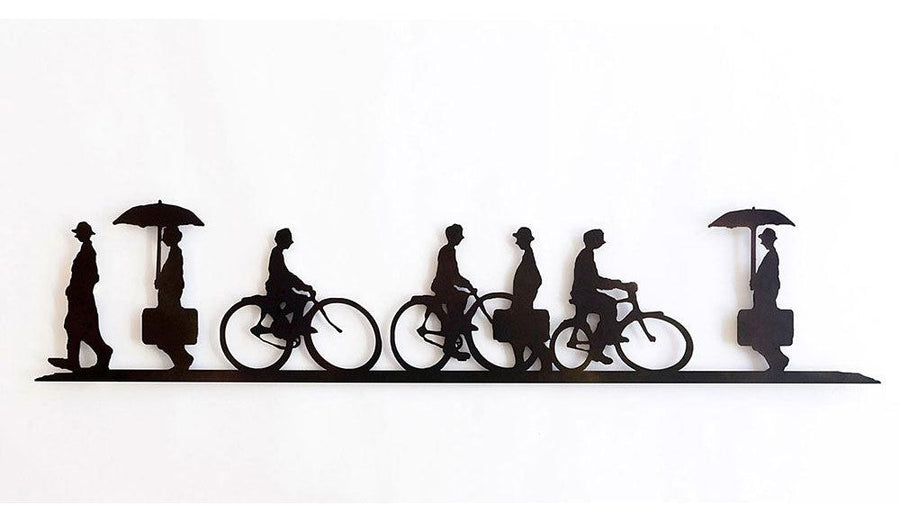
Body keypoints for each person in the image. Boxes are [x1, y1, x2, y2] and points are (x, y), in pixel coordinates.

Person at [49, 222, 113, 372]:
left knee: (79, 328)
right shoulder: (85, 251)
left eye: (79, 233)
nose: (77, 236)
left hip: (82, 299)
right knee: (75, 327)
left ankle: (100, 352)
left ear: (85, 234)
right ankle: (74, 360)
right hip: (79, 297)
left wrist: (79, 290)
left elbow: (93, 276)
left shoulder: (88, 252)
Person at [568, 229, 636, 364]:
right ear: (594, 241)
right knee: (609, 305)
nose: (600, 243)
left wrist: (618, 284)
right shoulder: (585, 256)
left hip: (585, 293)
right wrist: (619, 285)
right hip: (583, 295)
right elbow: (595, 281)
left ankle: (610, 333)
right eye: (599, 240)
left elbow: (594, 280)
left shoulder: (587, 254)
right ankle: (598, 349)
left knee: (611, 303)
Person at [254, 228, 315, 337]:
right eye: (288, 240)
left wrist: (302, 286)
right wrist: (304, 286)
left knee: (299, 300)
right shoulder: (277, 253)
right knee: (300, 300)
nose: (290, 243)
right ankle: (294, 329)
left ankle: (292, 326)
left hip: (279, 287)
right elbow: (284, 274)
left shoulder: (277, 253)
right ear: (284, 240)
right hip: (277, 289)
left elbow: (286, 275)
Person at [431, 224, 477, 360]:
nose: (462, 238)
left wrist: (466, 285)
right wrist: (467, 285)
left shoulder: (449, 250)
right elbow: (453, 275)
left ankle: (457, 325)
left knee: (462, 298)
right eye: (460, 235)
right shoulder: (447, 251)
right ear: (454, 236)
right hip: (442, 287)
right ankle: (450, 344)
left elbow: (454, 275)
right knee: (459, 303)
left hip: (445, 286)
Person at [509, 227, 552, 372]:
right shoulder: (527, 256)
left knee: (525, 336)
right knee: (519, 336)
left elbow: (536, 279)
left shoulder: (528, 257)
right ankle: (520, 365)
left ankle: (542, 362)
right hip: (520, 303)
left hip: (522, 304)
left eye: (518, 239)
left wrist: (525, 297)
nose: (516, 242)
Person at [750, 228, 789, 371]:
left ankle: (779, 361)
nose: (761, 242)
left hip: (765, 301)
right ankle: (778, 360)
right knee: (763, 336)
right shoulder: (770, 256)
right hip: (764, 300)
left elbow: (769, 280)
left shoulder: (771, 257)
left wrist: (757, 281)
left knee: (760, 339)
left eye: (763, 239)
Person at [155, 226, 193, 370]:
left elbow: (174, 277)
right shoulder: (174, 253)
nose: (162, 238)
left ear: (171, 237)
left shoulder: (176, 254)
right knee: (166, 332)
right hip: (168, 295)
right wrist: (160, 280)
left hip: (170, 296)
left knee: (167, 332)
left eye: (165, 235)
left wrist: (161, 281)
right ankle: (182, 358)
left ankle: (183, 359)